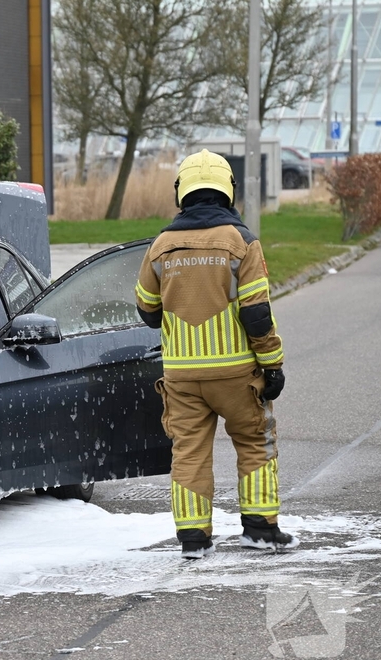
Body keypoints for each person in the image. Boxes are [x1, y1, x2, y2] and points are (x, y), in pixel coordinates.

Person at [134, 149, 298, 560]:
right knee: (255, 442)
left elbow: (147, 311)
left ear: (181, 192)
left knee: (188, 451)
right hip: (236, 374)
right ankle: (260, 530)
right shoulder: (241, 242)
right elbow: (257, 314)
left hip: (182, 378)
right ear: (228, 191)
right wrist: (272, 364)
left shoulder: (160, 246)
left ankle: (193, 539)